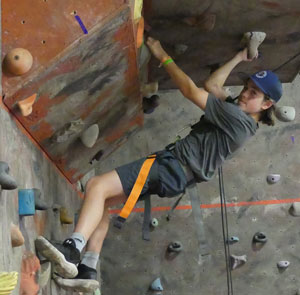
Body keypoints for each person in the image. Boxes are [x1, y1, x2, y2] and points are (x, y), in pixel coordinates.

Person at [35, 36, 282, 288]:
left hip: (170, 166)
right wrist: (240, 57)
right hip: (175, 176)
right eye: (246, 87)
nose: (244, 94)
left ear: (266, 104)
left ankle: (71, 250)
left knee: (97, 186)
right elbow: (213, 84)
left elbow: (191, 90)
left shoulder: (236, 119)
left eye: (253, 93)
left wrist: (162, 54)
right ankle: (87, 269)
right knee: (106, 202)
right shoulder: (240, 116)